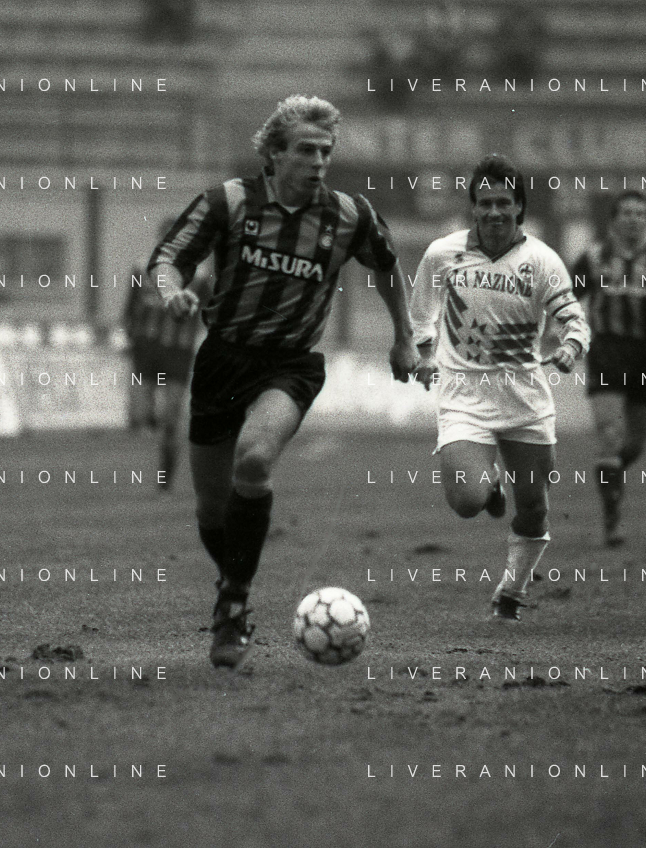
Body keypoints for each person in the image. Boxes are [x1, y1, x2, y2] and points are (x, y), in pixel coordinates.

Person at [147, 95, 418, 668]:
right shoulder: (228, 201)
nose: (319, 162)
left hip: (290, 365)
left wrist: (403, 337)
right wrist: (172, 291)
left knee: (253, 461)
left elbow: (388, 267)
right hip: (223, 357)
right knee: (211, 511)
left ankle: (232, 605)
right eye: (306, 150)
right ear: (274, 154)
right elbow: (168, 257)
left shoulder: (349, 215)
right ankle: (234, 587)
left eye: (326, 151)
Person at [411, 154, 590, 622]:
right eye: (485, 203)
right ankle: (489, 485)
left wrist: (570, 348)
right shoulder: (442, 254)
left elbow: (574, 320)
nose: (494, 211)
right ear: (473, 207)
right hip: (464, 397)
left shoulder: (542, 260)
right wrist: (425, 355)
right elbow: (421, 314)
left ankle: (510, 592)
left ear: (519, 207)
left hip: (524, 399)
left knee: (533, 509)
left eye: (503, 203)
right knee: (467, 502)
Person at [570, 190, 646, 547]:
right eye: (626, 212)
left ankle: (611, 474)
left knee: (635, 444)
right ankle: (612, 519)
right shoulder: (594, 258)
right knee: (609, 434)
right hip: (606, 350)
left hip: (645, 353)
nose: (633, 219)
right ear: (613, 220)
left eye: (640, 213)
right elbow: (568, 296)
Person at [122, 235, 207, 489]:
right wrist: (128, 335)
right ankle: (149, 420)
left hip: (179, 351)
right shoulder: (142, 267)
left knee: (171, 415)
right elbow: (130, 305)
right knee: (141, 413)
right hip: (146, 347)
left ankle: (165, 475)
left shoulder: (200, 274)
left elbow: (210, 310)